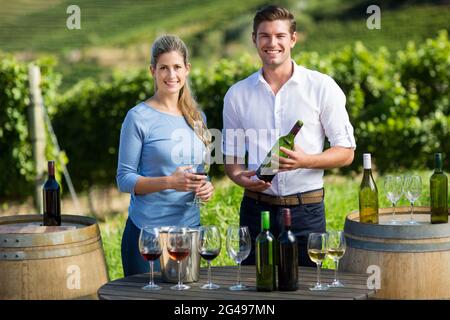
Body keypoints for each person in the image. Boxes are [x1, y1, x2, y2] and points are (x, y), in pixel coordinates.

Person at [222, 5, 356, 267]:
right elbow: (232, 161)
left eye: (280, 36)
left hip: (306, 211)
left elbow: (346, 151)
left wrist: (304, 161)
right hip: (255, 210)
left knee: (304, 291)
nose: (272, 43)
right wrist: (240, 178)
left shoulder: (321, 87)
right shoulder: (237, 94)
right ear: (254, 39)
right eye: (264, 36)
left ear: (293, 39)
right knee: (255, 290)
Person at [117, 35, 214, 276]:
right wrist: (169, 182)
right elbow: (124, 179)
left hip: (188, 234)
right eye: (164, 68)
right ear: (153, 71)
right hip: (147, 236)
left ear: (187, 69)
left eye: (177, 67)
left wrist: (206, 188)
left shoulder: (197, 118)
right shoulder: (138, 117)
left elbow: (200, 172)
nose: (171, 75)